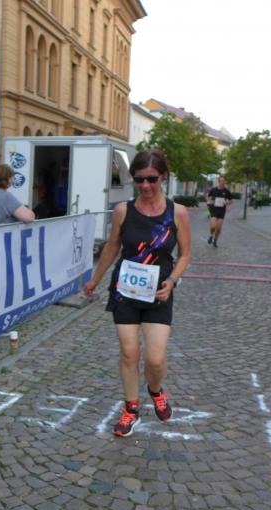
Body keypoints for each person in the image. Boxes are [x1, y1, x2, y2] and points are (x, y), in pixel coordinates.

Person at [83, 149, 191, 438]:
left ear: (163, 177)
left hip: (159, 293)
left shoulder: (177, 212)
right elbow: (112, 247)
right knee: (129, 353)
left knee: (154, 359)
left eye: (152, 179)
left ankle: (156, 390)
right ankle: (131, 409)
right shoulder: (123, 211)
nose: (145, 185)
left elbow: (185, 254)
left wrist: (173, 281)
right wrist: (95, 279)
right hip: (125, 291)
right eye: (139, 179)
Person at [207, 176, 233, 247]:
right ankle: (211, 235)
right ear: (218, 182)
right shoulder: (214, 190)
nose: (222, 182)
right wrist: (210, 201)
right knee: (213, 226)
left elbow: (231, 201)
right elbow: (208, 197)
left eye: (224, 181)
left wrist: (228, 202)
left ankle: (215, 240)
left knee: (218, 228)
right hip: (214, 210)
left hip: (222, 211)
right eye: (221, 181)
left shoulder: (227, 191)